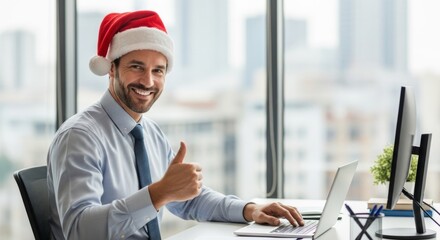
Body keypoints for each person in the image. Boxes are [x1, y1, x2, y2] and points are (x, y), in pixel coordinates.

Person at [47, 10, 304, 240]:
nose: (148, 81)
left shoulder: (150, 133)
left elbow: (189, 201)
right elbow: (79, 230)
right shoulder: (80, 136)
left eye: (158, 71)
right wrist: (158, 193)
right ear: (112, 69)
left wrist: (250, 209)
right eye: (136, 67)